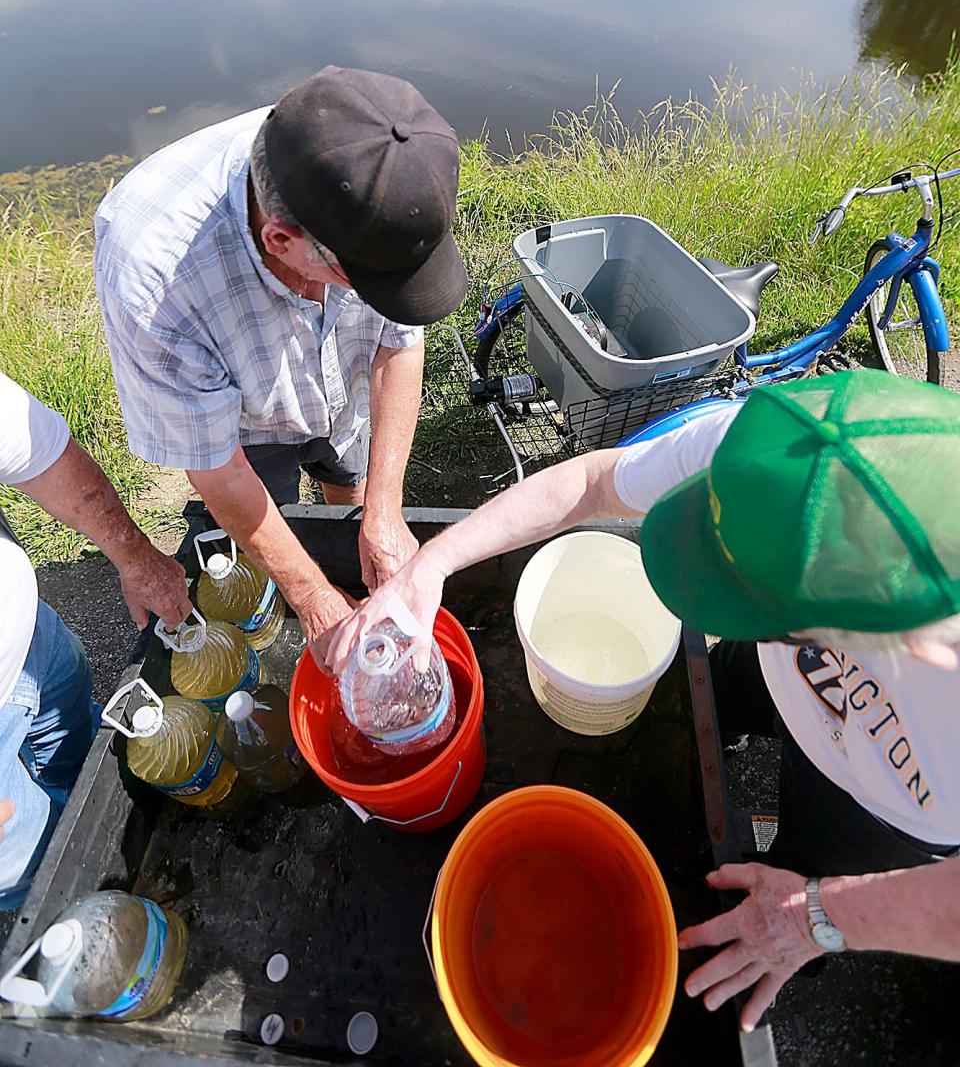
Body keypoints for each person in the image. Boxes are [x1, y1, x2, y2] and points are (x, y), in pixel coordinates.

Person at [329, 371, 960, 1029]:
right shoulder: (789, 452)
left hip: (886, 804)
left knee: (795, 888)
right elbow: (590, 484)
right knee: (718, 706)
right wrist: (432, 564)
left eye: (742, 597)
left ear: (898, 641)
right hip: (786, 670)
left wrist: (822, 916)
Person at [94, 66, 467, 659]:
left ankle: (353, 531)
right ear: (282, 241)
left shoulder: (379, 172)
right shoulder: (153, 275)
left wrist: (385, 513)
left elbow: (399, 341)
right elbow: (219, 469)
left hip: (342, 384)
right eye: (365, 281)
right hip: (244, 428)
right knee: (268, 536)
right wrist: (313, 599)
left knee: (352, 482)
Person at [0, 369, 190, 910]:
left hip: (26, 636)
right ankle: (99, 912)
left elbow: (37, 450)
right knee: (42, 867)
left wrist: (135, 556)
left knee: (85, 750)